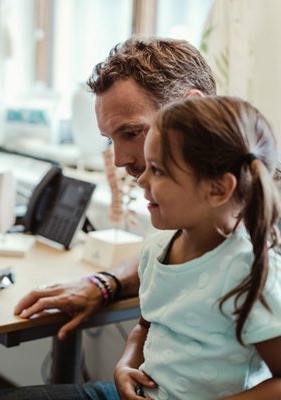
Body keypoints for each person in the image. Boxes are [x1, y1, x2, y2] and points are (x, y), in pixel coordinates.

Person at [0, 37, 216, 400]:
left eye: (131, 133)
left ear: (192, 110)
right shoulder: (180, 200)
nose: (121, 159)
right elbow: (161, 252)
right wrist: (104, 283)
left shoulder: (261, 216)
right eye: (110, 140)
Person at [116, 96, 281, 399]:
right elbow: (145, 327)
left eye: (158, 170)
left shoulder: (249, 270)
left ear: (217, 189)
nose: (141, 180)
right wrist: (125, 365)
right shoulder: (155, 251)